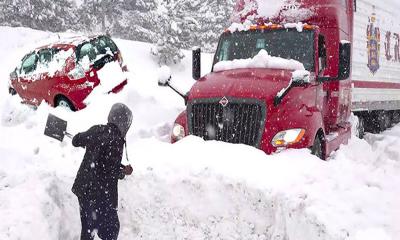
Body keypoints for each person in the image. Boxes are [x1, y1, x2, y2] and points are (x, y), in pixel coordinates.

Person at [72, 103, 134, 240]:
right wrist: (122, 172)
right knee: (110, 228)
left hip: (84, 188)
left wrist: (84, 141)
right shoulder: (117, 140)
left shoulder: (97, 130)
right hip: (100, 194)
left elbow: (76, 141)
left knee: (88, 228)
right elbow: (111, 170)